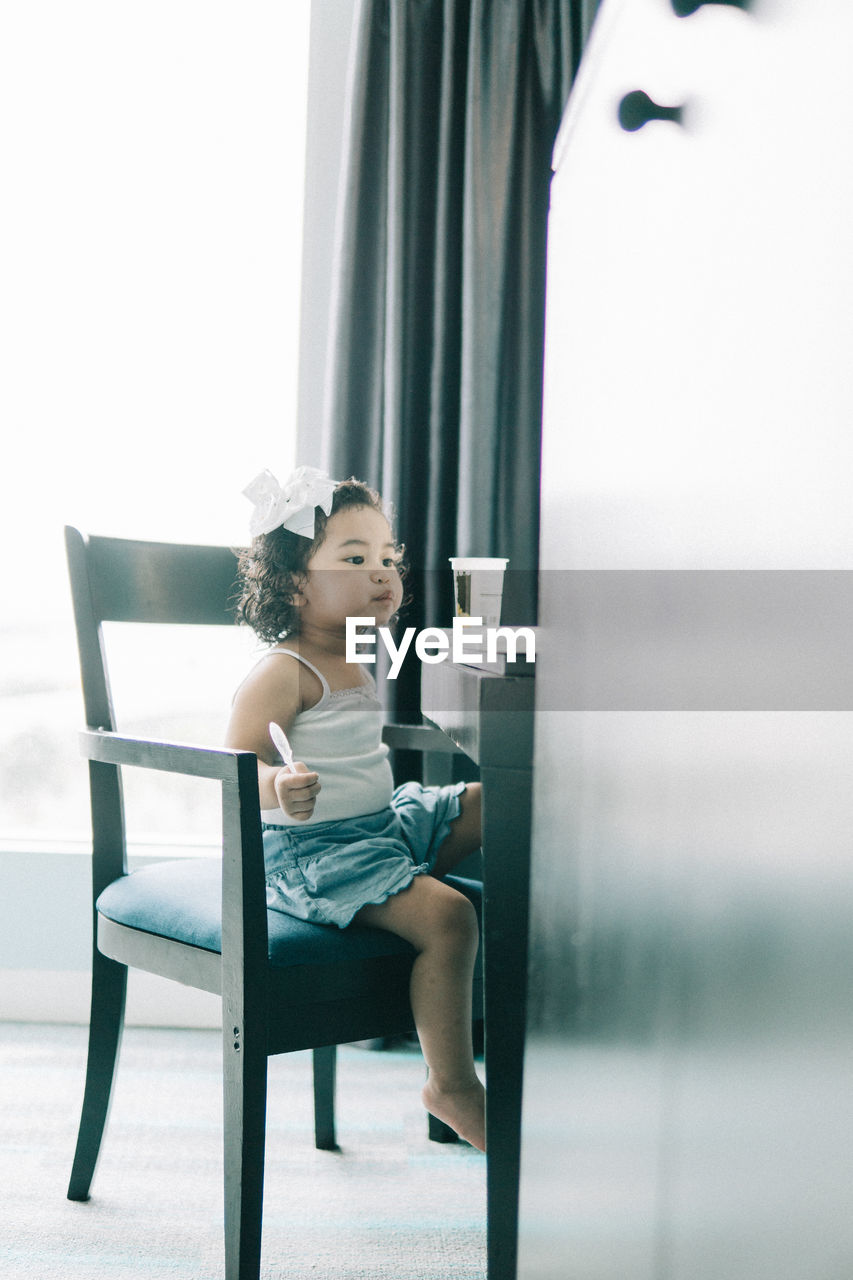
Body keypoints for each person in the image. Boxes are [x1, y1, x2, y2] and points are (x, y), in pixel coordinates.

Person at [225, 465, 486, 1151]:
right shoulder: (283, 670)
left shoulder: (354, 656)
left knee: (495, 805)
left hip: (379, 830)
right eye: (354, 558)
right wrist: (276, 785)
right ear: (293, 584)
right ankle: (451, 1086)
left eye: (387, 558)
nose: (382, 573)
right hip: (316, 854)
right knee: (451, 915)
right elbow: (237, 764)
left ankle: (550, 1030)